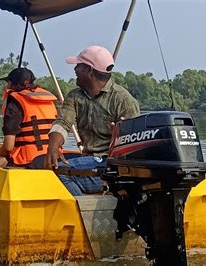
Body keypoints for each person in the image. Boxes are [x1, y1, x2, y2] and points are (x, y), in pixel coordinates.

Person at [43, 45, 140, 195]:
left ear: (89, 71)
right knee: (39, 162)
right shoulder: (75, 96)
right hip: (89, 159)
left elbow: (135, 145)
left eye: (78, 66)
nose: (74, 70)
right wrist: (53, 147)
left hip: (111, 165)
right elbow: (63, 122)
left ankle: (82, 210)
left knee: (59, 172)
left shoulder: (123, 100)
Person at [0, 68, 58, 167]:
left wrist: (1, 156)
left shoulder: (14, 102)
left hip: (28, 161)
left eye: (8, 82)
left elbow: (8, 147)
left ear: (12, 84)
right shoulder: (48, 101)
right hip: (53, 158)